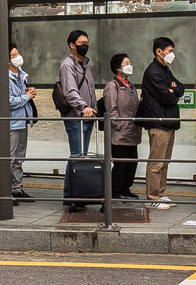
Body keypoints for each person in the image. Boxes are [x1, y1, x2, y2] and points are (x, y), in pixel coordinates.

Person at [136, 38, 184, 210]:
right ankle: (152, 196)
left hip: (168, 121)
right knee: (156, 162)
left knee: (164, 161)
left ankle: (160, 193)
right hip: (159, 121)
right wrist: (171, 91)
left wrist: (173, 89)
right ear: (159, 51)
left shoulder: (165, 69)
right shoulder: (153, 71)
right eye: (170, 50)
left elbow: (180, 87)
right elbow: (167, 96)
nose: (172, 54)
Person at [102, 52, 142, 201]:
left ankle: (126, 188)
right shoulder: (112, 86)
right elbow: (111, 108)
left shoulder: (131, 85)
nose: (129, 65)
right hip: (120, 132)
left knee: (132, 162)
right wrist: (119, 125)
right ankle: (115, 191)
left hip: (133, 131)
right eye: (126, 63)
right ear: (118, 67)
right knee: (121, 164)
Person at [5, 44, 38, 202]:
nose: (18, 57)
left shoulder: (21, 75)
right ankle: (6, 190)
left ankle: (17, 188)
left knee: (19, 158)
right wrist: (27, 97)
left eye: (18, 53)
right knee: (10, 158)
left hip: (23, 120)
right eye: (13, 54)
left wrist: (28, 93)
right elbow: (9, 101)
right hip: (12, 123)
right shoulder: (4, 76)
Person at [58, 30, 98, 157]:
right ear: (72, 45)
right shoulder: (68, 65)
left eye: (87, 43)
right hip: (76, 118)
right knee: (77, 156)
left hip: (88, 117)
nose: (85, 46)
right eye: (81, 43)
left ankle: (76, 177)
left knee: (82, 156)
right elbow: (70, 91)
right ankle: (71, 178)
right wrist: (83, 107)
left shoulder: (85, 64)